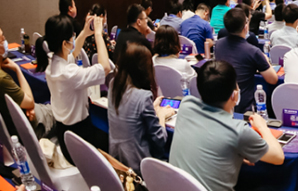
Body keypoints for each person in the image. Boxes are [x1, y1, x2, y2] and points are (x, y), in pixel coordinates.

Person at [169, 60, 284, 191]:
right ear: (234, 95)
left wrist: (232, 154)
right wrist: (262, 127)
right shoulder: (238, 130)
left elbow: (207, 140)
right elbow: (278, 157)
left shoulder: (186, 106)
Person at [36, 14, 111, 163]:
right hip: (80, 137)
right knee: (113, 143)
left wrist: (85, 32)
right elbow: (105, 67)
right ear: (65, 43)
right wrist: (98, 34)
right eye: (72, 36)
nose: (74, 39)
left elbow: (74, 53)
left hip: (64, 134)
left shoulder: (52, 62)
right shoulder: (69, 73)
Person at [109, 43, 171, 175]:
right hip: (139, 167)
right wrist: (161, 116)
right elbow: (160, 139)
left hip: (117, 161)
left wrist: (152, 108)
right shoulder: (143, 96)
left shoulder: (113, 85)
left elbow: (131, 113)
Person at [213, 8, 278, 113]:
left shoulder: (218, 44)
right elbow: (273, 79)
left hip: (222, 103)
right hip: (244, 108)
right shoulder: (253, 51)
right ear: (245, 26)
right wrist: (265, 60)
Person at [0, 26, 54, 139]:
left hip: (22, 118)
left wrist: (28, 107)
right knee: (64, 112)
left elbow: (28, 103)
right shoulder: (2, 78)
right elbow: (29, 102)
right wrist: (17, 70)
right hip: (28, 127)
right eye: (2, 39)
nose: (5, 40)